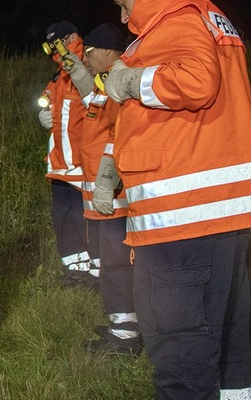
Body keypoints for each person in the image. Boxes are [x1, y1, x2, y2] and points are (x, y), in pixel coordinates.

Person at [106, 0, 251, 398]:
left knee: (180, 352)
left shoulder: (175, 18)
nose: (123, 17)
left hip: (180, 221)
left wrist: (131, 81)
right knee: (230, 344)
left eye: (123, 5)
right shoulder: (206, 17)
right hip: (219, 215)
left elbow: (197, 81)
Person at [69, 23, 142, 355]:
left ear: (111, 52)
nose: (86, 58)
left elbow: (117, 138)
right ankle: (120, 324)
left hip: (114, 198)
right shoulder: (104, 84)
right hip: (101, 199)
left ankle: (127, 335)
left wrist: (106, 182)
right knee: (109, 264)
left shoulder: (118, 86)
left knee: (116, 265)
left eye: (90, 52)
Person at [37, 21, 99, 288]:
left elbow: (98, 102)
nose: (55, 49)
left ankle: (98, 271)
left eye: (58, 42)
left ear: (73, 36)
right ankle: (75, 270)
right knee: (63, 219)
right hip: (60, 164)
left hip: (83, 163)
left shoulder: (88, 66)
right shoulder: (58, 75)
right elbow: (50, 102)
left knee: (85, 218)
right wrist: (43, 115)